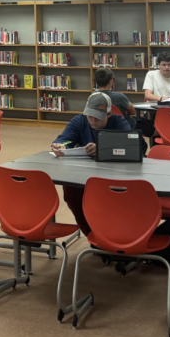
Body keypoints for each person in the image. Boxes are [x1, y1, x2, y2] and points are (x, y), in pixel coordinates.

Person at [51, 92, 131, 236]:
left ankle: (115, 234)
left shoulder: (119, 122)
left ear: (109, 115)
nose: (93, 121)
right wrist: (60, 146)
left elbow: (131, 145)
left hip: (114, 175)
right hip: (83, 175)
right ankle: (91, 234)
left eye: (98, 118)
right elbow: (64, 139)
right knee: (70, 190)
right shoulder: (79, 121)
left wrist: (102, 148)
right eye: (90, 116)